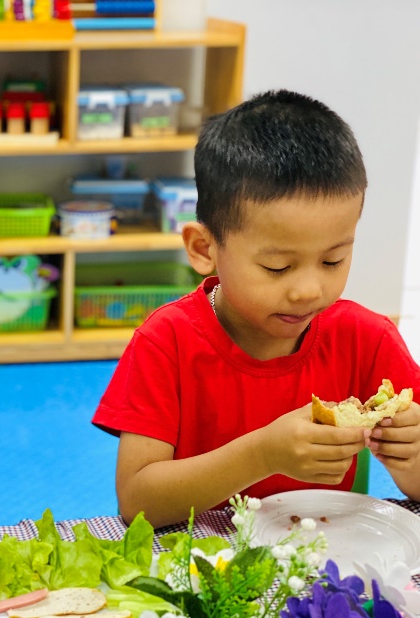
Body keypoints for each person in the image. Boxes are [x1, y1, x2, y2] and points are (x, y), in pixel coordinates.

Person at [93, 89, 420, 527]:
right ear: (204, 248)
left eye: (333, 260)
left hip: (324, 573)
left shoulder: (366, 340)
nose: (309, 290)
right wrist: (262, 454)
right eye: (277, 266)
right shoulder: (167, 341)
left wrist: (409, 457)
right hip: (204, 568)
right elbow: (137, 503)